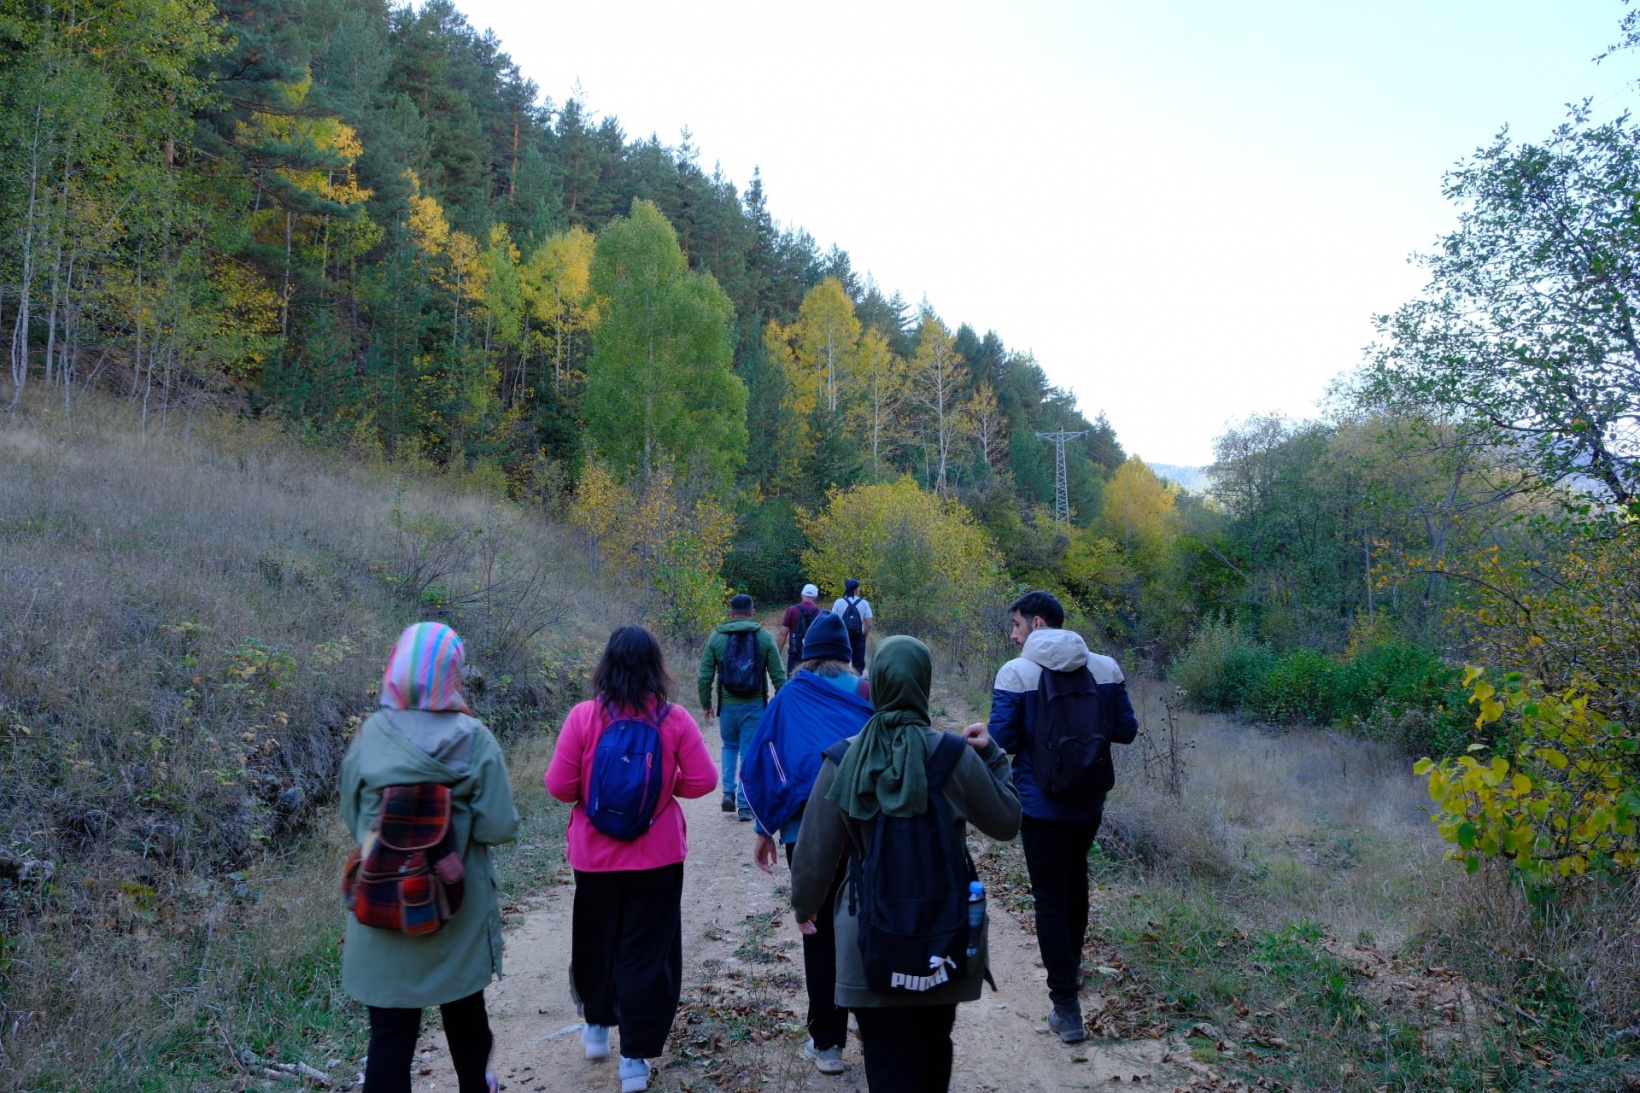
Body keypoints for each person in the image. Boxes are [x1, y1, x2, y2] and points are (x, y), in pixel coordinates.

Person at [791, 635, 1020, 1093]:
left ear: (873, 686)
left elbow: (813, 854)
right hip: (943, 931)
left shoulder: (844, 758)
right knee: (935, 1045)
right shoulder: (955, 757)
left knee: (884, 1055)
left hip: (867, 935)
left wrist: (805, 908)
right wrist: (992, 755)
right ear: (924, 684)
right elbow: (1007, 821)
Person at [340, 622, 520, 1093]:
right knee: (465, 1018)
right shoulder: (473, 737)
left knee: (390, 1035)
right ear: (451, 673)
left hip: (383, 905)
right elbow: (500, 827)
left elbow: (352, 814)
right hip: (452, 908)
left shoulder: (370, 735)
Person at [545, 626, 718, 1093]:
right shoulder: (674, 719)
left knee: (597, 940)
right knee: (646, 952)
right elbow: (704, 781)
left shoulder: (583, 717)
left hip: (594, 857)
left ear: (607, 665)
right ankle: (634, 1063)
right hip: (657, 857)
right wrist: (664, 792)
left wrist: (596, 795)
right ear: (654, 668)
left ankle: (597, 1028)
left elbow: (559, 787)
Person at [976, 590, 1138, 1043]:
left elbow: (1003, 740)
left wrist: (986, 734)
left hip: (1040, 803)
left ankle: (1066, 1007)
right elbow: (1126, 731)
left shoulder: (1017, 672)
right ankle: (1073, 967)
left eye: (1016, 625)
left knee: (1049, 896)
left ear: (1038, 624)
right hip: (1089, 801)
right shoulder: (1105, 667)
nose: (1013, 635)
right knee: (1076, 881)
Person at [740, 612, 871, 1075]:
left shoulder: (792, 695)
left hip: (806, 836)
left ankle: (827, 1044)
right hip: (865, 835)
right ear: (849, 654)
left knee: (819, 933)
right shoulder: (866, 693)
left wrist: (764, 830)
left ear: (807, 653)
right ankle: (869, 1029)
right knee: (864, 930)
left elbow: (766, 757)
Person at [697, 593, 786, 821]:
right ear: (752, 611)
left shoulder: (716, 637)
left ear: (730, 612)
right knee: (748, 751)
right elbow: (778, 675)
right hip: (755, 705)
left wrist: (706, 704)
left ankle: (728, 792)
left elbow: (705, 675)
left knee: (729, 746)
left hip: (727, 705)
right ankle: (745, 805)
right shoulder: (763, 637)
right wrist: (782, 704)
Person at [777, 582, 823, 678]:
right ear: (815, 597)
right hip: (813, 655)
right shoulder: (820, 613)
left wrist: (778, 653)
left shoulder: (791, 610)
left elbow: (783, 633)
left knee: (793, 683)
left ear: (801, 595)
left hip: (795, 652)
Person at [830, 579, 873, 674]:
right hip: (858, 637)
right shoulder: (864, 603)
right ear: (856, 589)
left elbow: (833, 621)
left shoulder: (839, 602)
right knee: (858, 665)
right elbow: (869, 624)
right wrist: (863, 637)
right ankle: (857, 684)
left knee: (841, 663)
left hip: (842, 637)